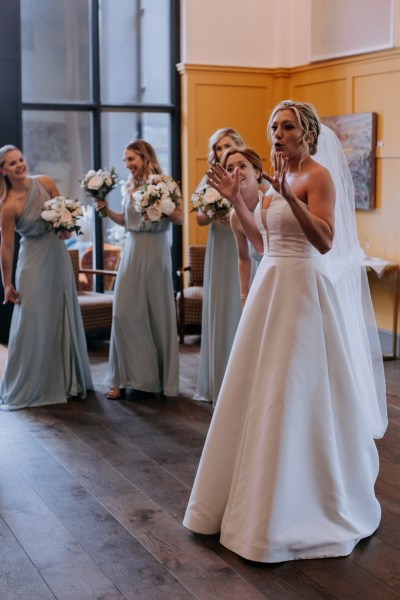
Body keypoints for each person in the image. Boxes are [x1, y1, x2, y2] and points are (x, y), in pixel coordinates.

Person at [183, 101, 387, 562]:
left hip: (303, 292)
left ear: (306, 133)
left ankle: (301, 502)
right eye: (273, 125)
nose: (277, 133)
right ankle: (244, 498)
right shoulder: (272, 183)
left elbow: (324, 240)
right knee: (257, 388)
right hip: (270, 287)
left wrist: (289, 197)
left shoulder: (316, 177)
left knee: (293, 390)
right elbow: (261, 245)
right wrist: (238, 199)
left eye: (287, 126)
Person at [0, 145, 93, 410]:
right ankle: (31, 382)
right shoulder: (7, 206)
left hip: (56, 255)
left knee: (60, 312)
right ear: (3, 171)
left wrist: (67, 230)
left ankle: (67, 381)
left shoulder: (45, 182)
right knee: (33, 317)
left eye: (20, 159)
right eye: (12, 163)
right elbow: (6, 247)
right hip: (31, 261)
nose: (19, 165)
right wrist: (7, 284)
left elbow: (67, 216)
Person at [96, 139, 182, 400]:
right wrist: (106, 210)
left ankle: (159, 380)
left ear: (145, 158)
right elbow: (126, 221)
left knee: (157, 312)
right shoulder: (129, 186)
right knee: (123, 312)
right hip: (132, 249)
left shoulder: (166, 183)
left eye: (131, 159)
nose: (128, 165)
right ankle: (120, 379)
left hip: (156, 250)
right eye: (125, 161)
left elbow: (179, 218)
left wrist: (161, 207)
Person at [193, 128, 257, 405]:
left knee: (241, 308)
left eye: (227, 146)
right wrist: (214, 209)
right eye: (218, 148)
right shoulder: (209, 179)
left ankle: (245, 382)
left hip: (246, 245)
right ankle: (218, 381)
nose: (222, 152)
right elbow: (199, 220)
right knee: (221, 309)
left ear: (239, 146)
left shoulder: (251, 180)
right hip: (221, 249)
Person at [221, 146, 267, 306]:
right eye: (229, 168)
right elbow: (244, 257)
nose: (236, 172)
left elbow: (264, 246)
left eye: (242, 166)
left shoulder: (271, 201)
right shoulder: (235, 216)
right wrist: (244, 295)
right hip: (260, 276)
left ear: (257, 172)